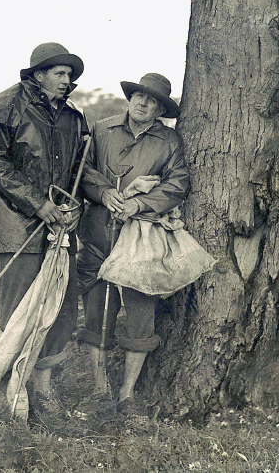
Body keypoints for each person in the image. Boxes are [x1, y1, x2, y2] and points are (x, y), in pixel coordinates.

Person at [0, 43, 89, 415]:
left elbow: (75, 171)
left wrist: (69, 208)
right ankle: (4, 389)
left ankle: (41, 388)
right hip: (15, 225)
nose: (66, 81)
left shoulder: (72, 118)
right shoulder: (3, 108)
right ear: (38, 74)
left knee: (60, 305)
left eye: (70, 75)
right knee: (18, 308)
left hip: (60, 227)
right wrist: (38, 204)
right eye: (59, 74)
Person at [75, 73, 190, 415]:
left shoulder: (169, 141)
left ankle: (126, 394)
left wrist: (139, 203)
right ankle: (99, 389)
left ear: (160, 109)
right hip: (97, 234)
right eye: (139, 96)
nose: (143, 103)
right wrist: (104, 192)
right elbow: (83, 170)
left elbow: (178, 183)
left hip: (141, 240)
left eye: (152, 100)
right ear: (131, 97)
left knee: (141, 312)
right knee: (96, 310)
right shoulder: (102, 129)